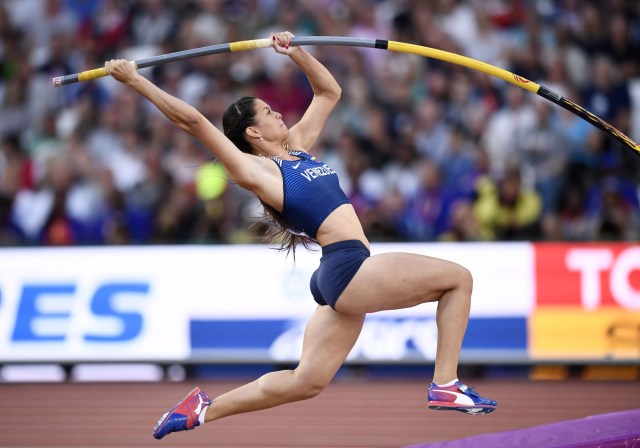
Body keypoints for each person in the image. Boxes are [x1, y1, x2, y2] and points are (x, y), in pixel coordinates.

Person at [105, 31, 496, 441]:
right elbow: (193, 121)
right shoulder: (259, 172)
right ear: (253, 134)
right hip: (348, 267)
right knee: (458, 279)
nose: (278, 115)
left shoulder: (298, 148)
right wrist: (134, 80)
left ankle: (204, 408)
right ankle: (446, 383)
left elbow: (329, 91)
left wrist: (295, 53)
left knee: (306, 381)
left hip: (339, 271)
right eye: (269, 112)